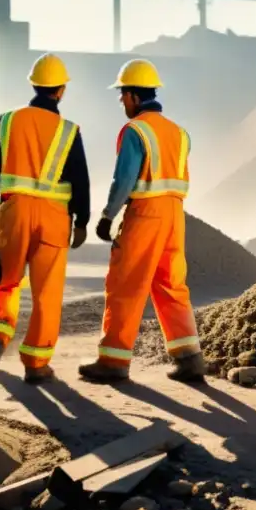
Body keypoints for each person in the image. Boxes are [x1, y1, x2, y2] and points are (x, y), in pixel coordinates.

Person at [77, 59, 205, 384]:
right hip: (175, 216)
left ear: (134, 95)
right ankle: (189, 359)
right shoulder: (180, 133)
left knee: (126, 283)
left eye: (122, 94)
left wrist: (108, 215)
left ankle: (113, 361)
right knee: (171, 285)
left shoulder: (135, 131)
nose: (121, 101)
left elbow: (125, 179)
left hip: (146, 214)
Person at [0, 52, 90, 382]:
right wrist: (82, 221)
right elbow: (81, 179)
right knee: (46, 293)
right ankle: (36, 364)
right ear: (61, 90)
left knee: (5, 279)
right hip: (54, 219)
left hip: (15, 213)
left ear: (34, 85)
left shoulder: (8, 121)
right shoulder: (69, 130)